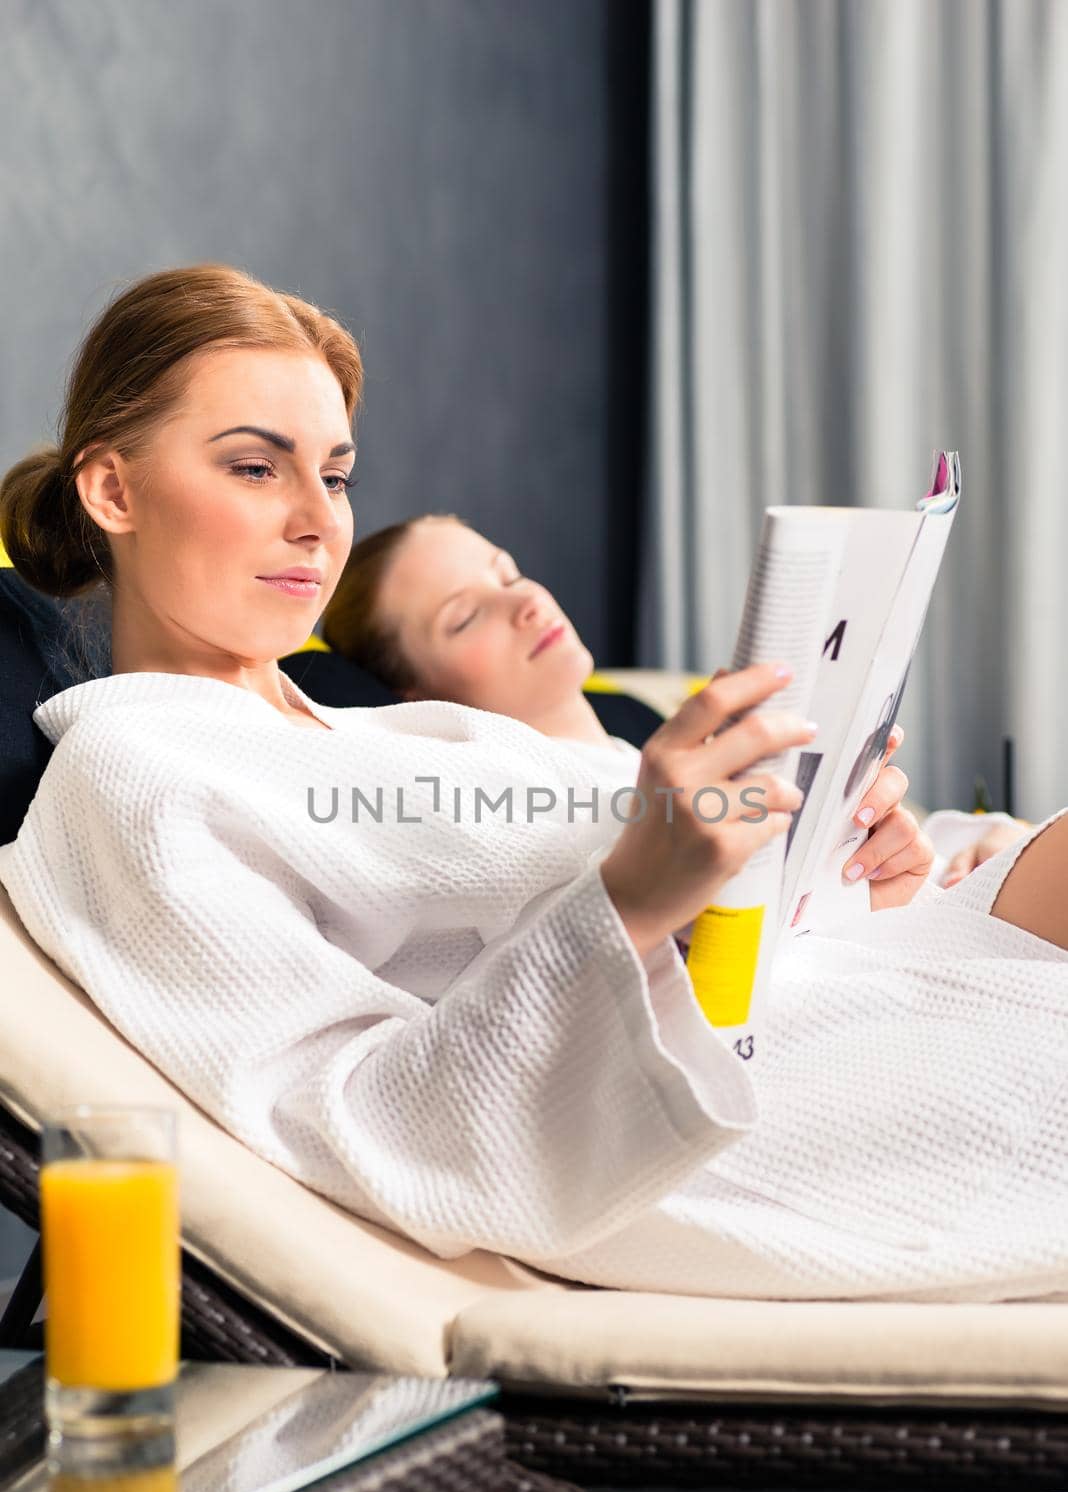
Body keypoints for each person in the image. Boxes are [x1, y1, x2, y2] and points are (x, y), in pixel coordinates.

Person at [1, 263, 1066, 1303]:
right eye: (253, 467)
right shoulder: (132, 775)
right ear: (113, 488)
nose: (319, 520)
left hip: (814, 993)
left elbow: (687, 904)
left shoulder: (403, 734)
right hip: (684, 1122)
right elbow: (373, 1124)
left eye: (334, 474)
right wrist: (636, 895)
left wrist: (829, 857)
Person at [321, 512, 1027, 890]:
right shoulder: (504, 797)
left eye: (509, 573)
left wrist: (936, 853)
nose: (527, 601)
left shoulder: (657, 735)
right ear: (409, 694)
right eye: (465, 615)